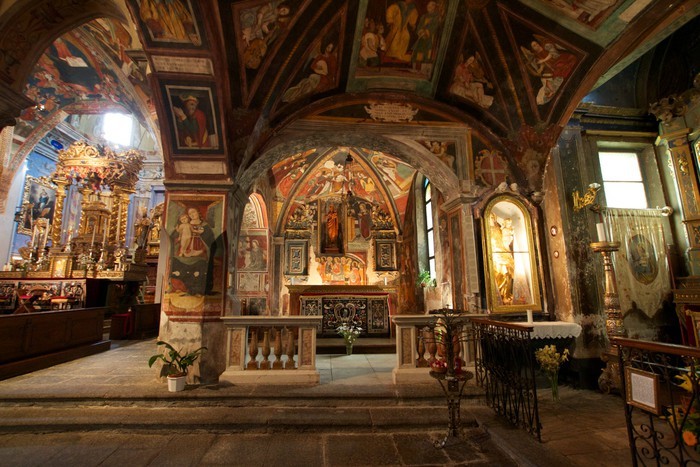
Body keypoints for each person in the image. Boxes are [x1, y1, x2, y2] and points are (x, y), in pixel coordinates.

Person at [411, 1, 439, 73]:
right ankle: (416, 70)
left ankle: (425, 71)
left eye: (431, 5)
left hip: (430, 39)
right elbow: (419, 26)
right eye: (428, 5)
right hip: (421, 38)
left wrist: (426, 32)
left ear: (434, 7)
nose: (429, 6)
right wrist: (420, 31)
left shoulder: (436, 17)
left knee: (427, 55)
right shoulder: (423, 17)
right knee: (418, 53)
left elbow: (434, 27)